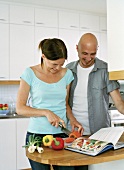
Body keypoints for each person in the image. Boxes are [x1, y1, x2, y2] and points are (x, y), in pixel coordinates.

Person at [16, 38, 85, 170]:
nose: (58, 68)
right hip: (37, 137)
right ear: (43, 57)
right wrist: (46, 112)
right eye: (54, 64)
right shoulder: (29, 73)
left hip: (62, 135)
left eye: (61, 64)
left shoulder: (67, 74)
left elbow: (65, 104)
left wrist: (73, 120)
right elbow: (20, 108)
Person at [66, 33, 124, 135]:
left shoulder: (105, 70)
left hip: (101, 134)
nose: (88, 58)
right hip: (73, 133)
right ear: (77, 48)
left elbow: (119, 103)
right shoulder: (68, 70)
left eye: (93, 54)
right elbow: (64, 102)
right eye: (84, 53)